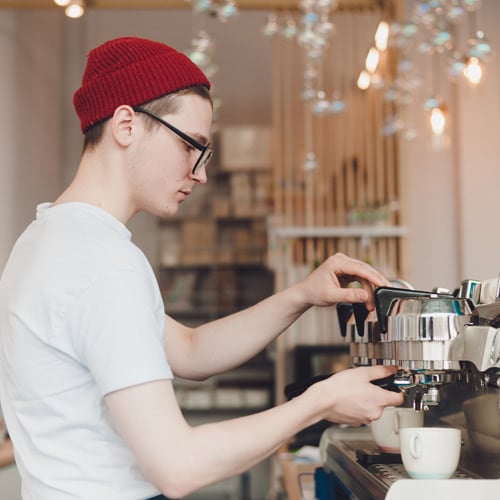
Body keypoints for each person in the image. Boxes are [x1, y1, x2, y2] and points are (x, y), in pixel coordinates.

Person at [0, 36, 403, 500]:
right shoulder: (103, 263)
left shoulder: (48, 238)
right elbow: (178, 466)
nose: (200, 173)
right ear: (127, 125)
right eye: (192, 145)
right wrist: (320, 401)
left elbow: (190, 351)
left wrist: (301, 295)